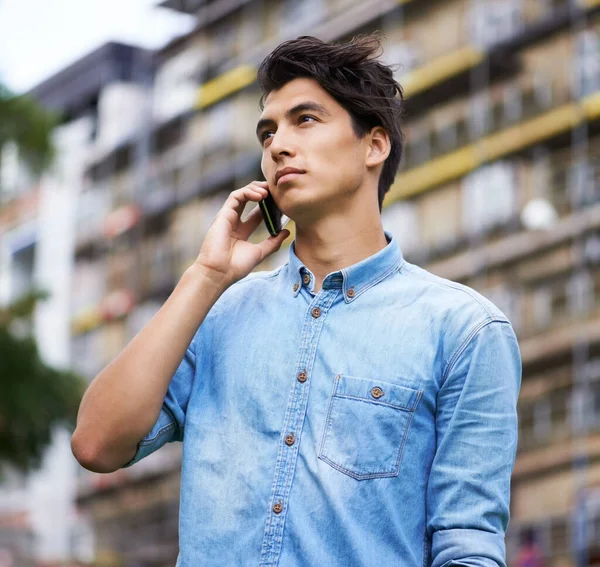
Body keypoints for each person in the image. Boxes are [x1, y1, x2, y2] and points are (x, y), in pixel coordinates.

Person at [71, 35, 522, 567]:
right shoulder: (217, 317)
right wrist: (206, 276)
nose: (278, 145)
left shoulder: (464, 330)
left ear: (374, 145)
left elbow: (467, 544)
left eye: (305, 120)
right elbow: (97, 446)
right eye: (268, 132)